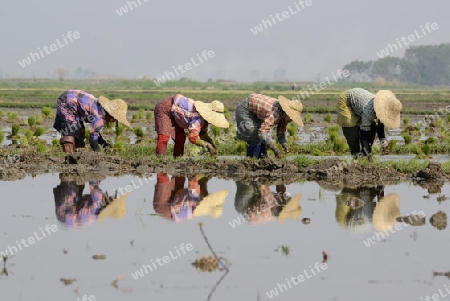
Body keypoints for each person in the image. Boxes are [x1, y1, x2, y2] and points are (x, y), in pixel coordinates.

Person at [53, 90, 131, 153]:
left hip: (73, 102)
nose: (114, 121)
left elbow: (95, 132)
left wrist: (105, 144)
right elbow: (92, 139)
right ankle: (68, 157)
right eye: (115, 119)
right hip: (67, 101)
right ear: (111, 115)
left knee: (80, 132)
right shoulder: (100, 116)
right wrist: (99, 154)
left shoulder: (101, 109)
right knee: (70, 131)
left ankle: (76, 154)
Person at [154, 94, 229, 157]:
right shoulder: (197, 118)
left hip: (178, 115)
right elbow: (192, 138)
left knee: (180, 139)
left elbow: (202, 133)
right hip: (165, 108)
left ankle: (177, 161)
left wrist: (211, 143)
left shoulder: (205, 121)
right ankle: (159, 162)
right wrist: (207, 145)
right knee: (164, 137)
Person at [337, 88, 402, 161]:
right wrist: (369, 156)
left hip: (360, 103)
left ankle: (364, 154)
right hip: (346, 101)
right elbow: (364, 136)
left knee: (372, 126)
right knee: (351, 129)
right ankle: (356, 156)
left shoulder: (383, 109)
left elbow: (380, 126)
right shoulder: (369, 112)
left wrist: (383, 141)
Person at [235, 94, 303, 158]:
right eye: (291, 117)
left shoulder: (284, 117)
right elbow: (262, 134)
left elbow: (280, 134)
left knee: (260, 138)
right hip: (245, 109)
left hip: (256, 111)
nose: (291, 120)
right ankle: (251, 159)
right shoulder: (274, 114)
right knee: (255, 137)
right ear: (287, 113)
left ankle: (263, 158)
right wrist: (275, 149)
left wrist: (284, 145)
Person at [53, 175, 128, 227]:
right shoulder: (97, 211)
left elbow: (93, 183)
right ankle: (67, 179)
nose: (113, 196)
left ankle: (67, 176)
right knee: (79, 183)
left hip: (64, 210)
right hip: (65, 215)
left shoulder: (98, 203)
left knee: (73, 184)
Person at [153, 173, 228, 222]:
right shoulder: (199, 197)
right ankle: (178, 156)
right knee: (180, 176)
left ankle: (161, 155)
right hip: (176, 199)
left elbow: (191, 179)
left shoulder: (196, 198)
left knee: (163, 178)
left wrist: (193, 172)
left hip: (164, 208)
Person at [234, 181, 302, 225]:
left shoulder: (271, 203)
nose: (289, 197)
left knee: (250, 180)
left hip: (245, 206)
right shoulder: (277, 208)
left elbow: (263, 186)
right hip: (246, 208)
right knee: (243, 181)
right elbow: (280, 188)